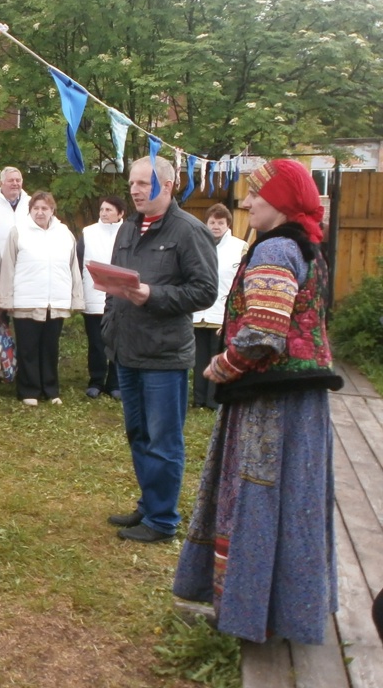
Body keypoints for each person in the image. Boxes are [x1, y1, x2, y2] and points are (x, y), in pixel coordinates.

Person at [174, 159, 342, 645]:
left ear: (283, 202)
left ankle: (249, 615)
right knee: (293, 500)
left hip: (271, 405)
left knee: (258, 498)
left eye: (257, 196)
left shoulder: (276, 249)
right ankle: (285, 610)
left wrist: (221, 367)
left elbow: (263, 334)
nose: (246, 202)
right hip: (297, 404)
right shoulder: (301, 245)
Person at [102, 156, 217, 542]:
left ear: (167, 185)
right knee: (138, 433)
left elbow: (205, 291)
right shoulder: (129, 227)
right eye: (131, 183)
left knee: (164, 439)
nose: (133, 190)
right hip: (128, 348)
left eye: (142, 184)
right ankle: (150, 503)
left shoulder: (188, 231)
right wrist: (110, 324)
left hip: (164, 355)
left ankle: (163, 520)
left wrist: (153, 295)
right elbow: (118, 280)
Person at [0, 191, 84, 407]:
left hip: (55, 302)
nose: (40, 212)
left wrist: (76, 298)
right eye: (36, 208)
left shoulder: (64, 234)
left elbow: (74, 268)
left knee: (50, 348)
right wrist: (5, 299)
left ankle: (50, 389)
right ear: (30, 211)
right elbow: (7, 267)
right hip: (26, 301)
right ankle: (29, 390)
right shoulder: (18, 232)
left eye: (44, 208)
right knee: (28, 348)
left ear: (52, 210)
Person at [191, 203, 248, 410]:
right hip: (199, 314)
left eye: (220, 222)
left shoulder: (239, 247)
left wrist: (235, 314)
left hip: (222, 315)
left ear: (228, 224)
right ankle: (198, 399)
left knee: (218, 358)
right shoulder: (197, 245)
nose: (215, 226)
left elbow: (241, 285)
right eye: (212, 222)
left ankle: (213, 400)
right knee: (199, 359)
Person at [79, 195, 126, 400]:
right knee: (96, 343)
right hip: (93, 294)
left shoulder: (129, 233)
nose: (104, 213)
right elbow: (79, 261)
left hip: (120, 297)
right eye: (102, 209)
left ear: (120, 213)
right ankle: (96, 380)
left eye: (109, 210)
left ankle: (115, 383)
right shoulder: (88, 232)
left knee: (117, 342)